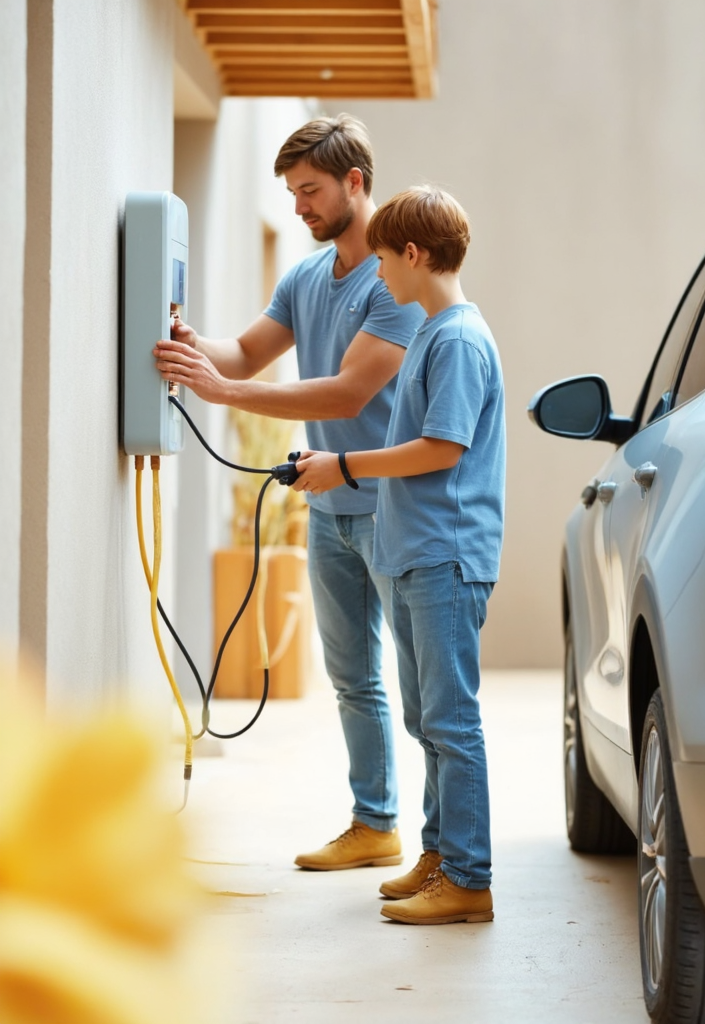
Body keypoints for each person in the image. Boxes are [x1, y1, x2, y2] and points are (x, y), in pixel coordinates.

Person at [154, 115, 424, 872]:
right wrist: (181, 334)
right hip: (327, 509)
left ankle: (447, 852)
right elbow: (242, 351)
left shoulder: (397, 277)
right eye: (292, 193)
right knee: (351, 679)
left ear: (355, 184)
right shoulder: (306, 276)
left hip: (389, 508)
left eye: (310, 192)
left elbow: (344, 395)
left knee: (422, 689)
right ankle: (375, 826)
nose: (299, 207)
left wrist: (226, 392)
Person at [292, 186, 505, 925]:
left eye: (382, 260)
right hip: (416, 552)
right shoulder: (434, 334)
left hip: (446, 555)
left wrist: (345, 468)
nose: (377, 276)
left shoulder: (456, 339)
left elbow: (443, 448)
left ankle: (469, 878)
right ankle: (440, 854)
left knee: (451, 722)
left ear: (413, 255)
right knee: (427, 719)